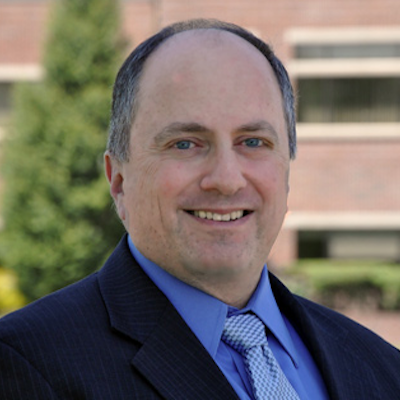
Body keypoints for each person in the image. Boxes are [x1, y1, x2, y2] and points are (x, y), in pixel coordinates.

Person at [0, 19, 399, 400]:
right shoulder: (25, 365)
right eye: (185, 144)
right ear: (118, 179)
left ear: (286, 170)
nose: (226, 179)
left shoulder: (382, 367)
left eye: (253, 142)